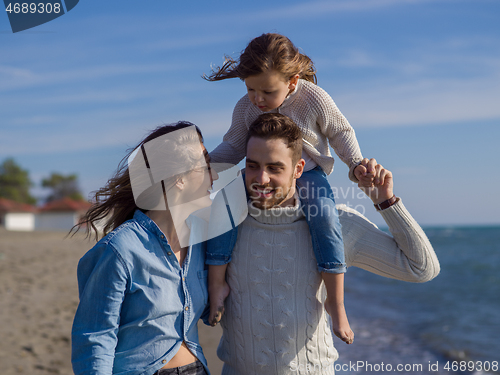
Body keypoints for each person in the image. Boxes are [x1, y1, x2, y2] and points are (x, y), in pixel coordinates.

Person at [216, 113, 440, 374]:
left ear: (299, 169)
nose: (261, 178)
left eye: (275, 168)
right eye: (253, 165)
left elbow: (421, 268)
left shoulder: (335, 226)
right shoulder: (225, 225)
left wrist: (385, 202)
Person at [203, 33, 374, 343]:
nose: (257, 99)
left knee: (324, 216)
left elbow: (339, 132)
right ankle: (217, 286)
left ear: (293, 81)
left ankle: (335, 305)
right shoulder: (246, 107)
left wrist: (356, 163)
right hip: (260, 173)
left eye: (267, 91)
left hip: (306, 172)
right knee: (225, 204)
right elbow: (234, 144)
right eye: (250, 89)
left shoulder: (314, 98)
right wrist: (207, 166)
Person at [71, 122, 219, 375]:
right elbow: (95, 339)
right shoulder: (121, 249)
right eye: (205, 167)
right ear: (179, 179)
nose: (214, 176)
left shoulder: (201, 244)